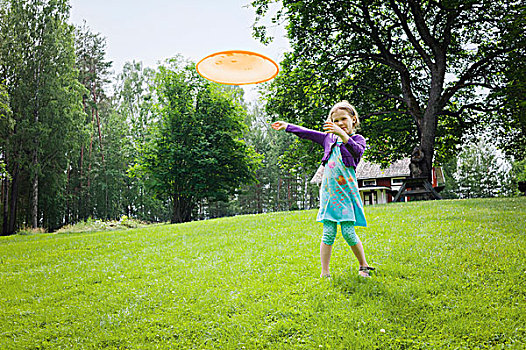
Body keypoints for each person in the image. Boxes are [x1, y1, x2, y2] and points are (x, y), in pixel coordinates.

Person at [271, 101, 375, 278]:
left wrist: (342, 134)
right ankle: (325, 273)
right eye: (336, 121)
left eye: (344, 119)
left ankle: (363, 265)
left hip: (347, 195)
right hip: (329, 195)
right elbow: (307, 133)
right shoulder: (328, 139)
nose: (340, 123)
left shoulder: (358, 140)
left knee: (349, 233)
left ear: (354, 119)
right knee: (328, 233)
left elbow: (356, 151)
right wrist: (287, 126)